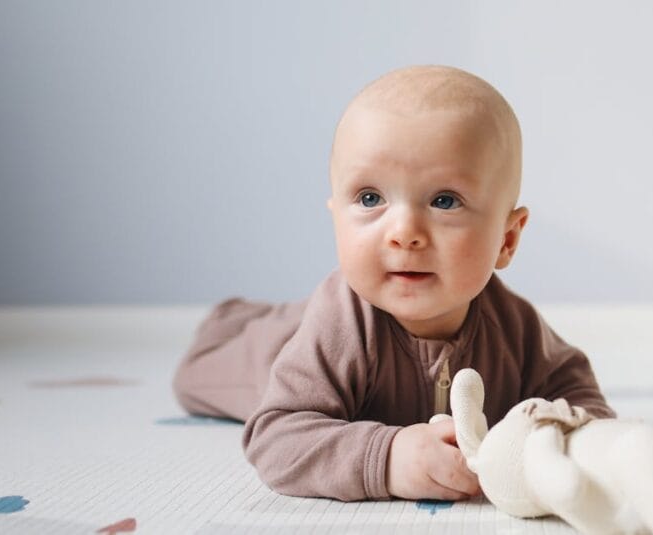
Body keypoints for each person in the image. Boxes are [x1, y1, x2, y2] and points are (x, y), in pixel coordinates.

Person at [172, 65, 614, 503]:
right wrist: (387, 458)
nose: (404, 231)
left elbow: (577, 392)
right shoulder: (342, 324)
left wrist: (561, 440)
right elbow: (275, 439)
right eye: (370, 198)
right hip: (259, 351)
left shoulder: (512, 327)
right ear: (336, 218)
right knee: (199, 376)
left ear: (507, 238)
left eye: (444, 200)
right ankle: (234, 319)